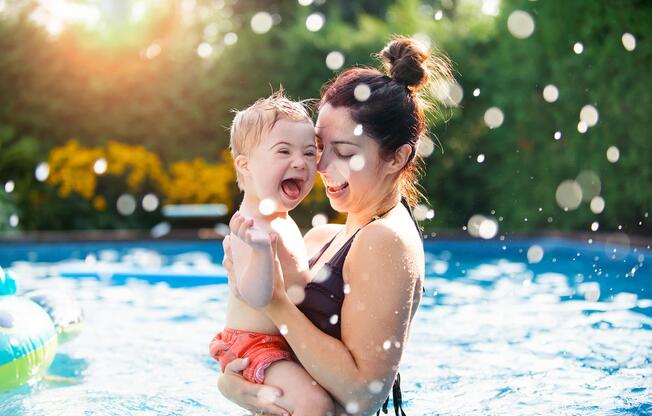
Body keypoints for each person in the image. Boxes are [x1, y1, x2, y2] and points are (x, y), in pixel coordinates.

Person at [219, 37, 454, 416]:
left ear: (397, 158)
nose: (322, 166)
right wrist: (234, 383)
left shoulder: (385, 240)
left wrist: (277, 302)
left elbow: (365, 395)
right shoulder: (325, 236)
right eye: (318, 147)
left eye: (344, 152)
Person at [209, 91, 336, 416]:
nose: (300, 162)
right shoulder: (250, 225)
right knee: (314, 404)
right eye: (284, 151)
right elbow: (254, 294)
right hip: (255, 344)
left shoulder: (280, 218)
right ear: (246, 165)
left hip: (282, 343)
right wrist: (261, 251)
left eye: (310, 153)